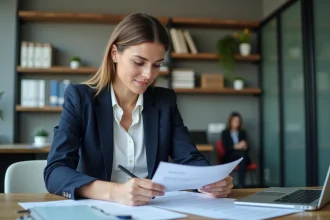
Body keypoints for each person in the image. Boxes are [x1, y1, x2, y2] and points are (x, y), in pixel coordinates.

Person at [44, 12, 233, 206]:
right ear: (115, 53)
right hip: (98, 209)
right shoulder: (80, 99)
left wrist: (209, 181)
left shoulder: (164, 101)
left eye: (157, 65)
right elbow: (55, 172)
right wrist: (115, 192)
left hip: (154, 209)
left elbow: (189, 157)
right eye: (139, 62)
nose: (148, 74)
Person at [221, 112, 251, 188]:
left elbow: (248, 148)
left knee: (242, 155)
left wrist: (245, 146)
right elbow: (226, 147)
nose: (236, 123)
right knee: (242, 156)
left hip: (241, 155)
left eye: (238, 121)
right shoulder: (225, 132)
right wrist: (237, 146)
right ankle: (241, 184)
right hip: (230, 156)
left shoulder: (242, 132)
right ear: (230, 121)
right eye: (234, 121)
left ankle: (241, 184)